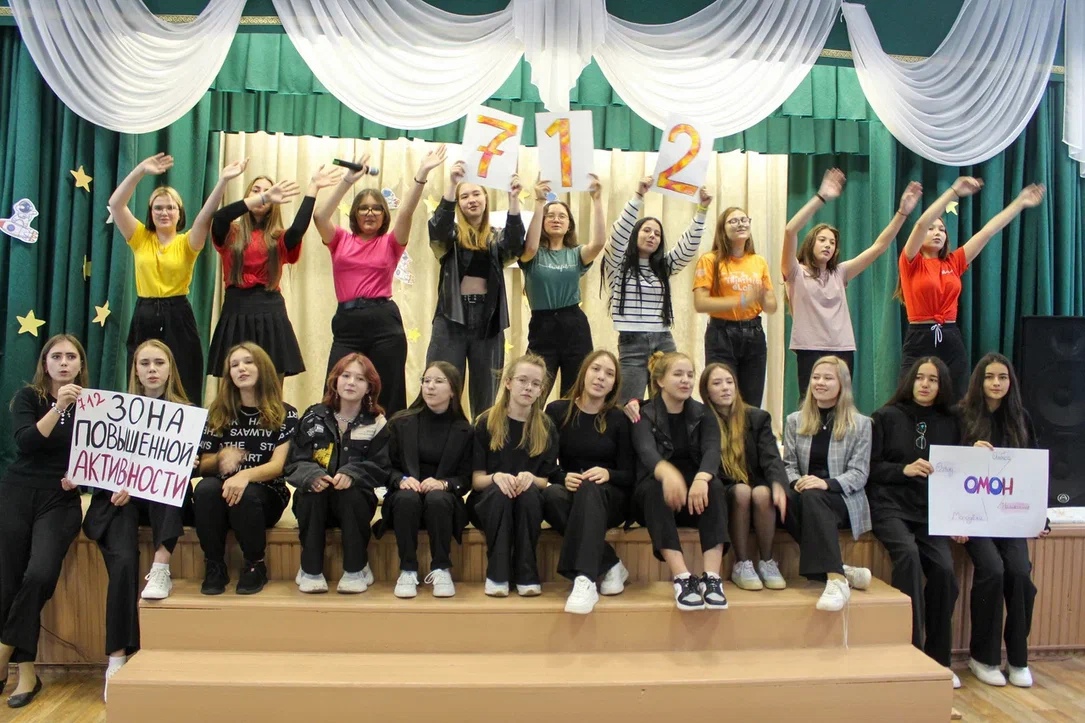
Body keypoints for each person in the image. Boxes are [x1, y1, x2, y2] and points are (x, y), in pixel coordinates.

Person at [82, 340, 191, 699]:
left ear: (170, 369)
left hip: (162, 500)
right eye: (144, 363)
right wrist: (119, 482)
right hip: (120, 502)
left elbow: (191, 466)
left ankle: (161, 566)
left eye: (159, 362)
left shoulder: (186, 413)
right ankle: (116, 657)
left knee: (169, 485)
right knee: (124, 562)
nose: (152, 369)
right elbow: (99, 461)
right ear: (135, 370)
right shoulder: (115, 411)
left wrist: (188, 463)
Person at [313, 146, 447, 416]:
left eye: (377, 209)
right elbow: (319, 217)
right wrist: (347, 180)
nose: (370, 213)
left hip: (384, 322)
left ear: (384, 215)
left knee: (389, 393)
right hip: (347, 323)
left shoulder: (391, 242)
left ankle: (391, 441)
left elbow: (406, 213)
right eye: (364, 208)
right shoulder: (340, 239)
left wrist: (421, 174)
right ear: (355, 213)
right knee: (338, 389)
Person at [109, 152, 247, 404]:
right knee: (142, 379)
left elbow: (206, 216)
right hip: (145, 312)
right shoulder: (139, 237)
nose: (164, 212)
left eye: (170, 207)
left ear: (179, 212)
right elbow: (116, 204)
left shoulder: (187, 242)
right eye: (158, 208)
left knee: (186, 377)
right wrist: (140, 170)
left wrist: (223, 181)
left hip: (178, 315)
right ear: (150, 212)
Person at [0, 335, 87, 709]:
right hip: (18, 492)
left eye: (71, 356)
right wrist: (58, 407)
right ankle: (26, 674)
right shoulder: (28, 398)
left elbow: (99, 456)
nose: (64, 362)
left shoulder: (94, 405)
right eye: (57, 356)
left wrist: (82, 477)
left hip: (60, 499)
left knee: (39, 575)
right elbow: (26, 443)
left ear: (81, 364)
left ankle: (2, 652)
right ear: (45, 363)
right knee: (8, 582)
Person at [896, 179, 1045, 397]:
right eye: (932, 229)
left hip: (951, 337)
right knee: (910, 399)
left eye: (942, 230)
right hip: (920, 338)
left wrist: (1020, 203)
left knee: (956, 401)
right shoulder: (910, 262)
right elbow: (920, 224)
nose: (937, 233)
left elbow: (987, 232)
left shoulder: (954, 262)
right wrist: (953, 192)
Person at [782, 169, 922, 397]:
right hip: (810, 349)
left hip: (843, 348)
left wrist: (902, 213)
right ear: (810, 243)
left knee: (841, 404)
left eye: (832, 243)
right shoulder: (795, 272)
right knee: (810, 404)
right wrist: (821, 197)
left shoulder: (840, 272)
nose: (828, 245)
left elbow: (879, 247)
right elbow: (790, 231)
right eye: (822, 240)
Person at [868, 356, 963, 686]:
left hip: (930, 511)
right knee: (907, 556)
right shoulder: (885, 417)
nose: (925, 384)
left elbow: (961, 469)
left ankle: (939, 660)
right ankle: (909, 651)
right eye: (920, 377)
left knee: (945, 571)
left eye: (933, 379)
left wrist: (978, 453)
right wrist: (902, 470)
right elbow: (869, 469)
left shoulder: (952, 422)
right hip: (889, 506)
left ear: (942, 385)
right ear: (910, 380)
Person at [207, 166, 343, 378]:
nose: (263, 195)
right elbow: (220, 217)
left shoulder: (278, 237)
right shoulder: (231, 232)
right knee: (235, 381)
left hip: (270, 311)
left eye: (268, 191)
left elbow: (298, 230)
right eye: (256, 190)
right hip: (235, 311)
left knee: (271, 380)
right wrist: (263, 197)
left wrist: (313, 187)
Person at [956, 353, 1042, 688]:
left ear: (1010, 382)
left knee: (1020, 573)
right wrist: (969, 454)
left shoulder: (1021, 418)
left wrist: (1039, 515)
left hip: (1009, 517)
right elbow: (948, 469)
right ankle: (983, 657)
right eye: (989, 377)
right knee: (992, 570)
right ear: (979, 381)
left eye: (1002, 377)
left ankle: (1018, 659)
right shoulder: (961, 416)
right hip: (973, 516)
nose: (996, 383)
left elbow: (1034, 473)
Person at [194, 343, 297, 596]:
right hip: (222, 490)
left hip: (266, 492)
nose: (241, 368)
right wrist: (220, 458)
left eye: (248, 362)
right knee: (205, 489)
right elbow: (204, 465)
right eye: (234, 365)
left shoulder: (285, 413)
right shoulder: (217, 413)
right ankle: (214, 565)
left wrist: (244, 475)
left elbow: (278, 466)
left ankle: (254, 564)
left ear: (262, 367)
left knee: (246, 495)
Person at [427, 161, 525, 417]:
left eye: (476, 194)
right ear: (458, 203)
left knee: (486, 397)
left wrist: (513, 199)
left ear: (485, 198)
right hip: (451, 318)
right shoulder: (451, 237)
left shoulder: (495, 237)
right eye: (464, 196)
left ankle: (481, 440)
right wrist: (452, 185)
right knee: (441, 388)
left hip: (488, 321)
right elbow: (437, 229)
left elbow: (515, 244)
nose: (471, 200)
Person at [631, 352, 728, 611]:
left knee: (715, 486)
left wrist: (701, 478)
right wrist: (668, 474)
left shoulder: (703, 413)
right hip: (656, 501)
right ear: (660, 380)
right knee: (654, 488)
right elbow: (646, 451)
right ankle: (683, 578)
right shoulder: (644, 413)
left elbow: (712, 450)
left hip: (694, 499)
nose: (686, 380)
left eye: (690, 375)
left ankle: (712, 578)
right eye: (678, 374)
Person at [285, 353, 389, 594]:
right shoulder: (313, 416)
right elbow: (294, 461)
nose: (351, 383)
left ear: (369, 387)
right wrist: (312, 475)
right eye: (346, 376)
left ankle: (356, 569)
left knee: (351, 494)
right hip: (315, 500)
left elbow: (382, 466)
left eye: (360, 379)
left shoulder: (377, 422)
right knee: (311, 494)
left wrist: (352, 473)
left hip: (354, 504)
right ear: (335, 380)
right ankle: (310, 570)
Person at [543, 350, 634, 614]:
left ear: (614, 383)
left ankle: (584, 579)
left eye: (609, 373)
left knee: (591, 487)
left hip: (611, 498)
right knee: (549, 497)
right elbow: (546, 464)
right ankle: (610, 564)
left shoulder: (619, 418)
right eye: (596, 369)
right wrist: (562, 476)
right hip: (574, 491)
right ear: (584, 372)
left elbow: (630, 473)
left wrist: (609, 474)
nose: (601, 377)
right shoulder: (557, 410)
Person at [603, 176, 709, 404]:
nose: (652, 235)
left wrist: (702, 210)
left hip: (664, 339)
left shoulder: (663, 267)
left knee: (670, 402)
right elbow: (618, 236)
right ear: (635, 235)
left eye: (657, 233)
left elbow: (687, 249)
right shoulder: (617, 265)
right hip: (632, 341)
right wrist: (638, 196)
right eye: (646, 231)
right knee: (628, 404)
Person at [781, 355, 874, 611]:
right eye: (816, 377)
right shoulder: (794, 420)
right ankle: (840, 572)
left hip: (842, 498)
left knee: (813, 497)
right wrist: (797, 482)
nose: (820, 383)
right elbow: (788, 465)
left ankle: (834, 578)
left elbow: (859, 473)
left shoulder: (861, 424)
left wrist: (825, 484)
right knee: (780, 498)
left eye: (828, 378)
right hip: (806, 495)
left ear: (842, 384)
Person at [381, 362, 473, 599]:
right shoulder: (400, 422)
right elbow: (384, 466)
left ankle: (441, 568)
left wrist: (445, 484)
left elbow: (466, 477)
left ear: (453, 390)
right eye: (426, 380)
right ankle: (407, 569)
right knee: (407, 498)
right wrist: (401, 479)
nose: (430, 386)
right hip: (404, 496)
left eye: (439, 381)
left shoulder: (465, 430)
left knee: (437, 498)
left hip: (443, 501)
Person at [469, 353, 558, 597]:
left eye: (535, 384)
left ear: (541, 390)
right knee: (500, 495)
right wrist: (496, 477)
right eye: (522, 380)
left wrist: (531, 478)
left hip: (527, 501)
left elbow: (545, 480)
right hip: (489, 501)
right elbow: (476, 481)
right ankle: (497, 574)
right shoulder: (486, 422)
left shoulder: (546, 427)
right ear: (508, 382)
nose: (528, 387)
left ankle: (526, 574)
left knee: (529, 495)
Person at [699, 363, 789, 592]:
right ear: (706, 391)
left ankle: (767, 561)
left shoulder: (757, 418)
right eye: (717, 383)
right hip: (724, 489)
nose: (725, 388)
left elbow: (771, 458)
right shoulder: (701, 419)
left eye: (729, 382)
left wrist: (778, 484)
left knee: (762, 493)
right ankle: (742, 563)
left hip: (755, 484)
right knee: (742, 491)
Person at [520, 175, 604, 397]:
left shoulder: (576, 254)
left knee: (574, 394)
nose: (556, 220)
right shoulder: (532, 254)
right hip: (542, 326)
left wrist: (597, 199)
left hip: (574, 325)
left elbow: (598, 243)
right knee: (533, 391)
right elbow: (530, 248)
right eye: (550, 216)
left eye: (562, 216)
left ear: (569, 225)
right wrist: (540, 202)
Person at [693, 206, 778, 407]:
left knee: (751, 402)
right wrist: (742, 300)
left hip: (754, 334)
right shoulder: (710, 260)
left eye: (744, 220)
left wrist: (762, 297)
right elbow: (700, 303)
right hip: (721, 335)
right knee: (721, 399)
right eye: (733, 221)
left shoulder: (758, 261)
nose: (740, 224)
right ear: (722, 229)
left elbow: (772, 307)